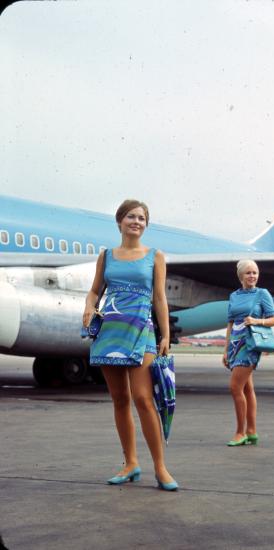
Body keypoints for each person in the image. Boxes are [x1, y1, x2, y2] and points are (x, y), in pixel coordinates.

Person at [82, 199, 178, 491]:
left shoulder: (155, 256)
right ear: (120, 221)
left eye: (142, 218)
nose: (136, 222)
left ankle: (160, 468)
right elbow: (95, 290)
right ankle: (131, 463)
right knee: (120, 399)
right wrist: (88, 307)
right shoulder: (106, 256)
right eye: (131, 217)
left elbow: (159, 297)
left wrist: (165, 335)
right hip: (110, 332)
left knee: (143, 398)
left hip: (142, 331)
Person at [222, 260, 274, 446]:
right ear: (241, 276)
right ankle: (252, 431)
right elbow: (230, 323)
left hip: (250, 344)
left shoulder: (262, 294)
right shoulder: (234, 296)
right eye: (248, 273)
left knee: (235, 387)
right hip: (235, 344)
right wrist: (226, 349)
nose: (252, 276)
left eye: (255, 272)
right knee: (247, 388)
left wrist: (256, 321)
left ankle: (240, 432)